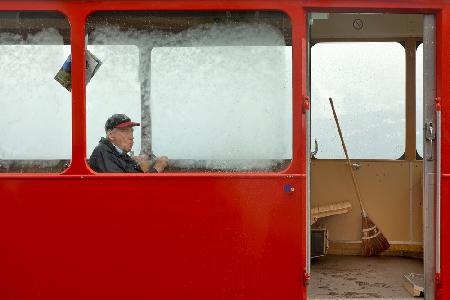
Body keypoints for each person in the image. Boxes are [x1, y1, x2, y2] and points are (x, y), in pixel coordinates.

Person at [89, 114, 168, 173]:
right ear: (111, 135)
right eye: (125, 131)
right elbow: (127, 187)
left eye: (131, 131)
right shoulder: (103, 152)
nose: (131, 137)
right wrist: (157, 168)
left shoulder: (119, 154)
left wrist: (138, 165)